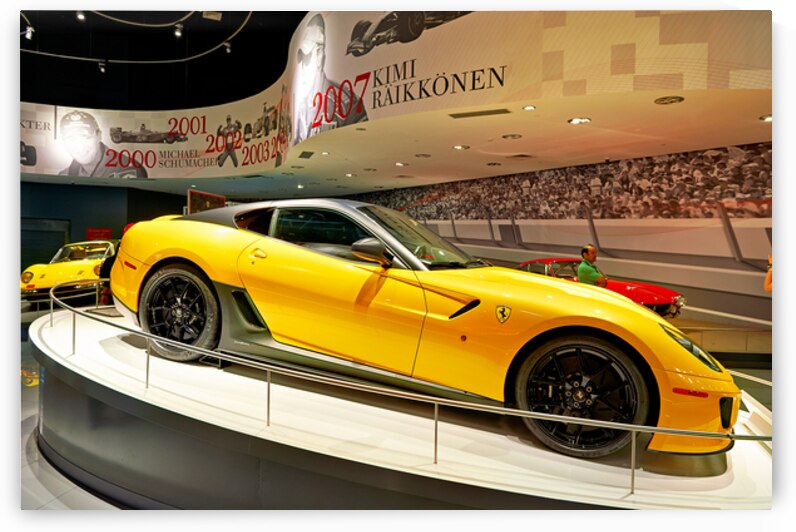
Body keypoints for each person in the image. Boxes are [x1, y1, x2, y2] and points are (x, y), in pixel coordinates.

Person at [291, 13, 367, 146]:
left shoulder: (347, 105)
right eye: (299, 56)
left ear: (319, 55)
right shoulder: (295, 103)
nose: (301, 64)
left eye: (306, 56)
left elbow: (363, 149)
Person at [59, 110, 148, 178]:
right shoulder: (64, 177)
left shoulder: (128, 169)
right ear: (64, 142)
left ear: (99, 136)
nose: (79, 145)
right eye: (71, 139)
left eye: (86, 137)